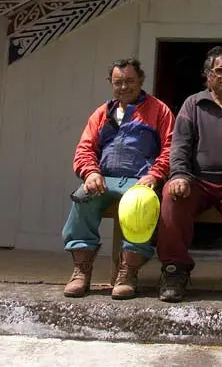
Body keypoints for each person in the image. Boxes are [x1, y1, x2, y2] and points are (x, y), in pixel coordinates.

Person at [157, 46, 222, 306]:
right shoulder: (193, 104)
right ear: (207, 75)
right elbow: (180, 145)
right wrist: (180, 174)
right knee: (172, 198)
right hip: (197, 181)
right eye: (219, 70)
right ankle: (175, 271)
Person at [62, 58, 175, 299]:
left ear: (141, 80)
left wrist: (155, 174)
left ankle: (128, 271)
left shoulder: (158, 110)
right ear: (111, 84)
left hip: (139, 181)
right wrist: (90, 172)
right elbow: (85, 148)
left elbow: (171, 147)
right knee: (82, 197)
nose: (124, 87)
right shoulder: (102, 113)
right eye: (118, 82)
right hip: (104, 179)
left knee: (141, 205)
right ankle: (81, 270)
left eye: (130, 81)